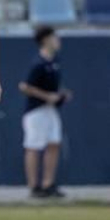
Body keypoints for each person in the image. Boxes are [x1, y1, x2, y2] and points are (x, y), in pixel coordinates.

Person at [18, 26, 69, 199]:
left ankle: (48, 183)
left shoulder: (54, 61)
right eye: (55, 37)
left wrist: (61, 95)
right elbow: (25, 86)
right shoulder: (39, 63)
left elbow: (54, 86)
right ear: (46, 39)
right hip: (36, 111)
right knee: (34, 146)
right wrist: (47, 96)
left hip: (50, 111)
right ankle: (34, 186)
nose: (58, 41)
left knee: (54, 143)